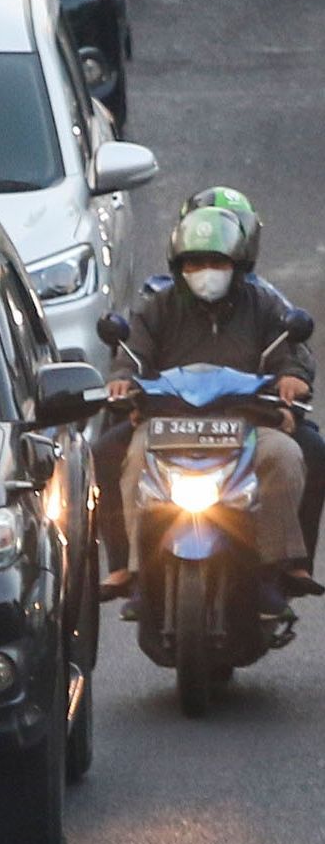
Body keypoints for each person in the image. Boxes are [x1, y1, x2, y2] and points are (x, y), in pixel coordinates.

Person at [98, 201, 323, 615]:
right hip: (167, 424)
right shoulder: (157, 306)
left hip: (245, 424)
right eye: (194, 262)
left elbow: (288, 351)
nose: (205, 271)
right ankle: (132, 572)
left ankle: (279, 567)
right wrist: (124, 376)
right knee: (121, 459)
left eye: (216, 261)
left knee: (290, 455)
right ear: (178, 265)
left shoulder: (263, 305)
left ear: (238, 264)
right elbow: (134, 353)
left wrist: (292, 378)